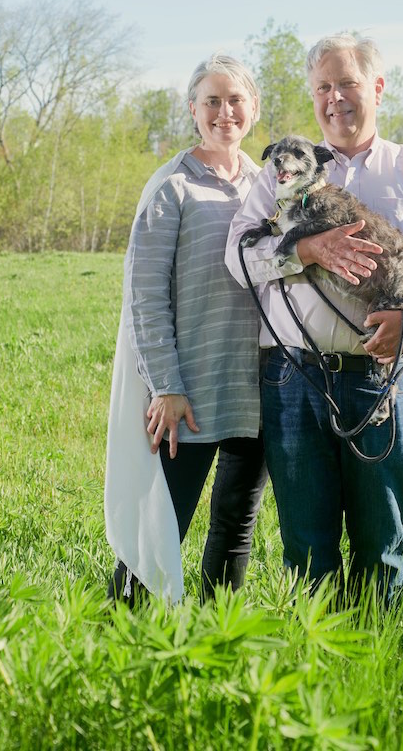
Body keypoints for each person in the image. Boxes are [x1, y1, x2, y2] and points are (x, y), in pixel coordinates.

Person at [225, 34, 403, 604]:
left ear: (377, 88)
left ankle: (379, 663)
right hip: (291, 375)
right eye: (323, 87)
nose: (335, 98)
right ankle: (314, 663)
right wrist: (306, 251)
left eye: (347, 84)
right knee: (305, 542)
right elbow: (236, 254)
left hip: (380, 378)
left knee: (382, 540)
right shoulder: (279, 175)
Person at [105, 54, 268, 605]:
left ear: (254, 108)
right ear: (193, 110)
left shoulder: (265, 186)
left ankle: (219, 628)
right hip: (188, 393)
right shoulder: (172, 186)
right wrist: (166, 387)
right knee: (162, 521)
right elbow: (144, 296)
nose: (225, 112)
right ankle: (126, 628)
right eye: (212, 102)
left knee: (235, 524)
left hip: (253, 387)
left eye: (236, 100)